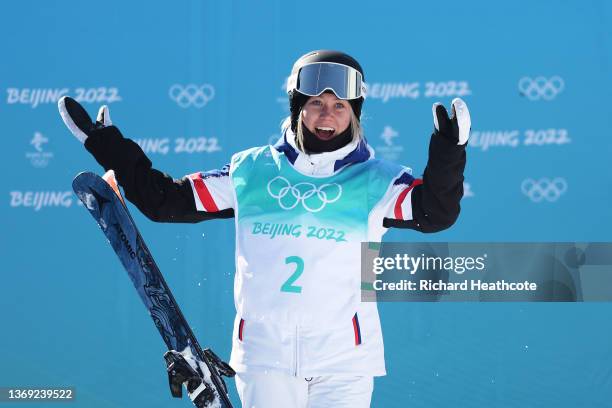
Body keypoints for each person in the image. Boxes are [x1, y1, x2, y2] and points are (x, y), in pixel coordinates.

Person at [59, 50, 470, 408]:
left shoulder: (376, 180)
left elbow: (434, 212)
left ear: (354, 113)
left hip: (345, 361)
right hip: (264, 357)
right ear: (297, 106)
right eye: (316, 103)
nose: (327, 115)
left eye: (340, 105)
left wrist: (449, 151)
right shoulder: (252, 171)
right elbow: (163, 201)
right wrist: (107, 145)